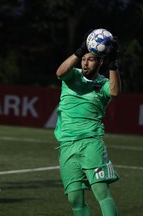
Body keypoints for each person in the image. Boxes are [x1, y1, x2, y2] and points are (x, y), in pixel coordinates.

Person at [54, 32, 121, 216]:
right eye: (83, 59)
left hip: (91, 143)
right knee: (74, 199)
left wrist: (113, 62)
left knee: (101, 192)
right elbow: (59, 72)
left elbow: (115, 92)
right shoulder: (71, 76)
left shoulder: (103, 84)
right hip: (67, 144)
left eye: (90, 59)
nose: (85, 63)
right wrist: (81, 50)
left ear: (100, 62)